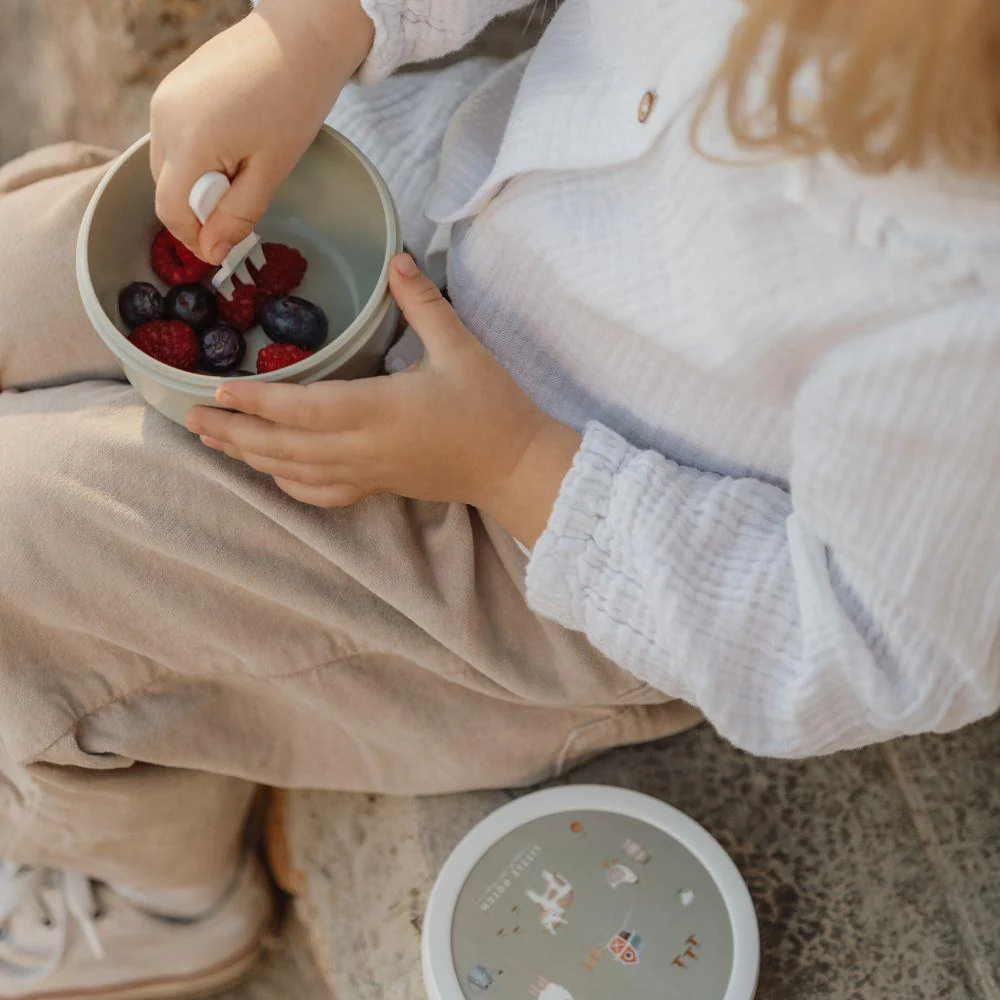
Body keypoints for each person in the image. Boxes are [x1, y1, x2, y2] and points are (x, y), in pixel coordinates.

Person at [1, 0, 997, 994]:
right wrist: (322, 28)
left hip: (537, 535)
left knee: (24, 532)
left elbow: (862, 646)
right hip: (436, 182)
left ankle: (157, 893)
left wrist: (514, 464)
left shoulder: (968, 325)